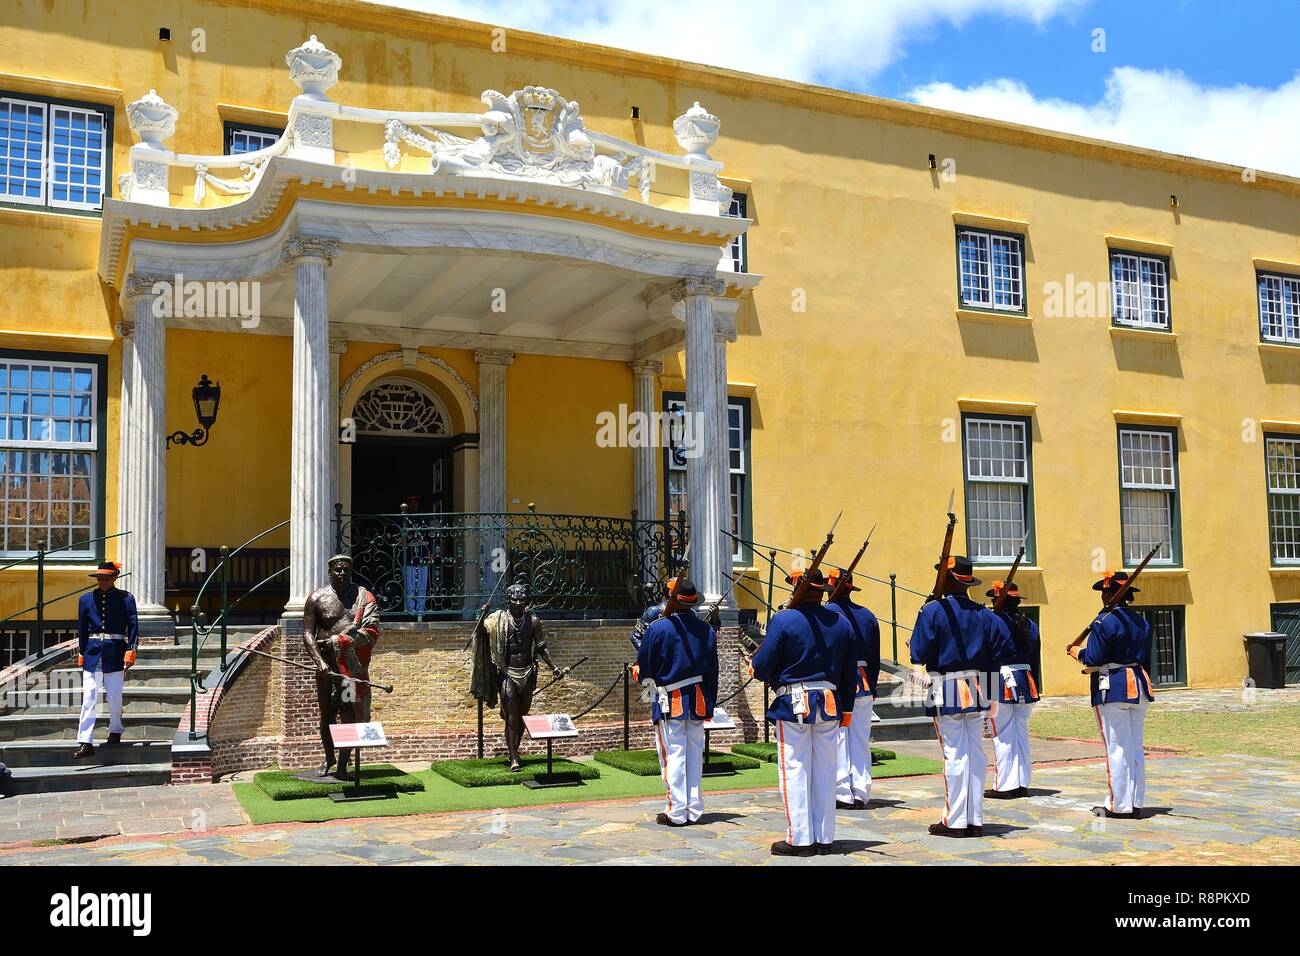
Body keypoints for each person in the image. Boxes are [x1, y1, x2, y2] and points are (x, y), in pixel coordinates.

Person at [749, 567, 857, 856]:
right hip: (831, 701)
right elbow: (849, 673)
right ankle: (824, 837)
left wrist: (757, 665)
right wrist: (847, 708)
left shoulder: (784, 620)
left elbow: (763, 667)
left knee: (795, 769)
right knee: (825, 771)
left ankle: (799, 838)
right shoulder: (840, 622)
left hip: (794, 703)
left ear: (798, 588)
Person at [909, 555, 1015, 837]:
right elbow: (996, 656)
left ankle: (954, 821)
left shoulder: (932, 611)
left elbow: (918, 652)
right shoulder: (985, 615)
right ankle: (973, 818)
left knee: (955, 755)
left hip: (946, 687)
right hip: (977, 687)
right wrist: (991, 695)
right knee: (976, 755)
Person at [632, 578, 719, 826]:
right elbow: (713, 671)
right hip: (699, 699)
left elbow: (645, 668)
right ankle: (694, 809)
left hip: (671, 700)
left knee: (673, 755)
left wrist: (638, 673)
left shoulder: (659, 628)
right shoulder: (706, 630)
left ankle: (676, 811)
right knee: (693, 755)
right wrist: (710, 704)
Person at [1069, 571, 1155, 819]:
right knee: (1134, 747)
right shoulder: (1141, 621)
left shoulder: (1103, 621)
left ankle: (1118, 805)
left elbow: (1095, 657)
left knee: (1117, 747)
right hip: (1138, 685)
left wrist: (1077, 652)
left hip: (1114, 686)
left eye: (1105, 592)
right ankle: (1135, 802)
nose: (1102, 596)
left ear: (1111, 593)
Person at [469, 581, 568, 771]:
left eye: (521, 599)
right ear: (508, 601)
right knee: (512, 717)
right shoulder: (497, 620)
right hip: (508, 674)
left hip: (528, 673)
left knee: (522, 715)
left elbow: (541, 647)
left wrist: (554, 668)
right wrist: (481, 615)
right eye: (514, 599)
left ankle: (515, 748)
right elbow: (482, 632)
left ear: (526, 602)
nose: (517, 602)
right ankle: (514, 757)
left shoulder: (533, 622)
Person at [303, 554, 382, 777]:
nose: (342, 573)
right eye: (338, 570)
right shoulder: (317, 598)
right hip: (326, 666)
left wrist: (343, 642)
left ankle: (342, 765)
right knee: (327, 714)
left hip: (349, 667)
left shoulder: (362, 597)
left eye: (346, 570)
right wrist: (319, 662)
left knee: (348, 713)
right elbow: (307, 633)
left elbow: (372, 628)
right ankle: (329, 759)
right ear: (330, 572)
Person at [825, 568, 880, 810]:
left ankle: (842, 791)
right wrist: (873, 685)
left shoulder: (827, 614)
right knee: (860, 738)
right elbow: (875, 658)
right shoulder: (867, 615)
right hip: (864, 680)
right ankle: (861, 790)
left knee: (838, 737)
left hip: (838, 680)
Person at [73, 561, 138, 759]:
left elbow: (133, 626)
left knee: (114, 697)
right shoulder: (85, 599)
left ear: (114, 578)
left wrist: (131, 650)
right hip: (92, 652)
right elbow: (82, 628)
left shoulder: (126, 599)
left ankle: (116, 729)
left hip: (115, 651)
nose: (102, 582)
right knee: (89, 697)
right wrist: (82, 652)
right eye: (100, 578)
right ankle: (86, 741)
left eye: (106, 578)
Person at [984, 580, 1041, 799]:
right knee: (1020, 735)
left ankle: (1005, 785)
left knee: (1002, 735)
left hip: (1001, 680)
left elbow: (988, 656)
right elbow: (1035, 658)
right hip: (1026, 680)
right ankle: (1021, 782)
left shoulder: (993, 622)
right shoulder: (1029, 624)